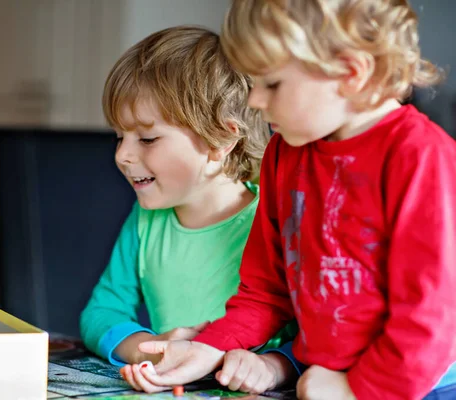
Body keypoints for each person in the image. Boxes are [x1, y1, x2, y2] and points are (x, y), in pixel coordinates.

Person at [127, 2, 456, 399]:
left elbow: (432, 316)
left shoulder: (421, 157)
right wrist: (210, 347)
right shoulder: (286, 152)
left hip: (422, 386)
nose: (254, 101)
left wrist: (357, 389)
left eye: (271, 83)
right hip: (326, 380)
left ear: (351, 73)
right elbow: (266, 289)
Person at [79, 25, 297, 390]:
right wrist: (145, 348)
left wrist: (275, 364)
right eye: (119, 136)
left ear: (221, 140)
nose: (122, 155)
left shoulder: (274, 218)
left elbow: (319, 332)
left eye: (147, 138)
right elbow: (101, 312)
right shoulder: (146, 219)